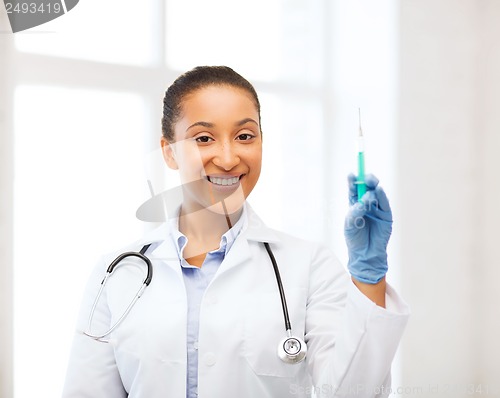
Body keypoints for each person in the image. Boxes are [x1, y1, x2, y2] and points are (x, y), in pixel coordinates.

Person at [62, 66, 409, 398]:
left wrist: (369, 276)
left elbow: (351, 393)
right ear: (169, 152)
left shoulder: (310, 266)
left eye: (245, 136)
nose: (228, 159)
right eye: (204, 138)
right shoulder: (118, 272)